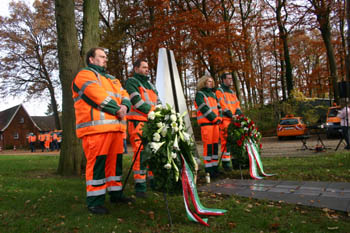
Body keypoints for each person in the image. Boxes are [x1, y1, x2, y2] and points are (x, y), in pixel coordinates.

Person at [72, 47, 132, 215]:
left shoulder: (113, 79)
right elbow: (95, 95)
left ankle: (116, 195)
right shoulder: (84, 75)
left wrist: (125, 106)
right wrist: (117, 109)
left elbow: (125, 94)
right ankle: (94, 202)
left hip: (116, 129)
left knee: (115, 165)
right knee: (97, 165)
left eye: (106, 56)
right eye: (102, 56)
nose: (106, 59)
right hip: (95, 130)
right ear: (91, 59)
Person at [125, 58, 161, 198]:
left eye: (148, 67)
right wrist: (154, 112)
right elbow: (137, 102)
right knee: (140, 154)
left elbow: (158, 101)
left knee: (152, 152)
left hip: (151, 122)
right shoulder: (132, 82)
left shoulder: (150, 85)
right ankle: (140, 187)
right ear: (136, 68)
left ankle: (153, 182)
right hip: (138, 122)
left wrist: (159, 112)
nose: (147, 69)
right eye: (144, 67)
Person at [194, 75, 222, 178]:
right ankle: (209, 170)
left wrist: (220, 118)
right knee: (208, 147)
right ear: (203, 82)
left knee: (215, 147)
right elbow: (203, 108)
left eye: (211, 81)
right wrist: (215, 118)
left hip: (215, 124)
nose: (211, 83)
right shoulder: (200, 94)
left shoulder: (213, 94)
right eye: (208, 81)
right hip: (207, 124)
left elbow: (219, 108)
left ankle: (215, 169)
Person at [215, 72, 242, 171]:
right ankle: (226, 164)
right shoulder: (219, 91)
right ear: (223, 80)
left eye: (231, 78)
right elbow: (223, 105)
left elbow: (237, 105)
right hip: (226, 120)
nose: (231, 80)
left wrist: (239, 114)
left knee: (235, 141)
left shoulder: (232, 92)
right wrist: (232, 115)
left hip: (234, 119)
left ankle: (235, 162)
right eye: (229, 78)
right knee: (226, 141)